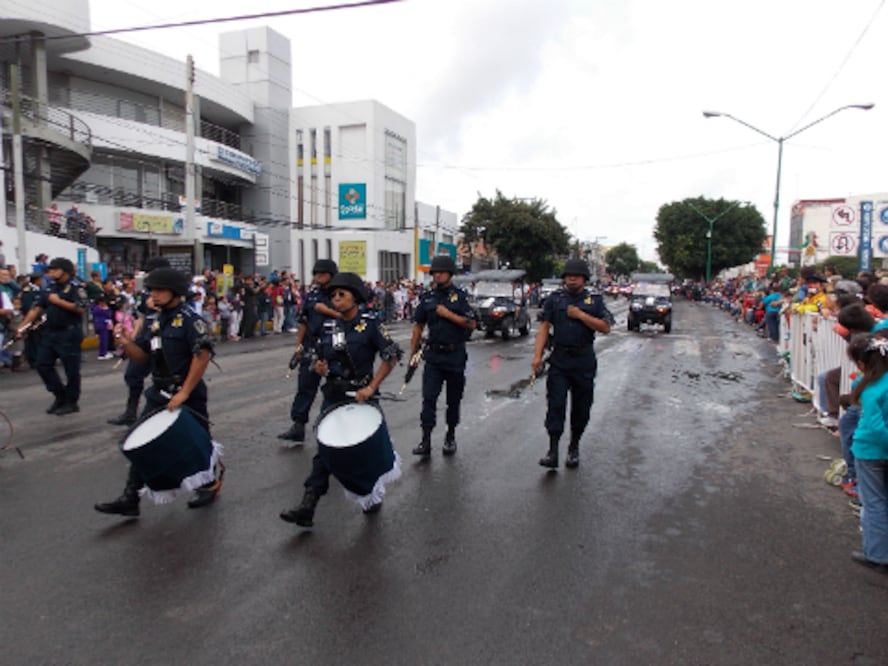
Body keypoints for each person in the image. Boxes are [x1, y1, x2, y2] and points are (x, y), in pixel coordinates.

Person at [94, 267, 222, 516]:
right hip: (159, 390)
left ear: (175, 292)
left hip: (188, 391)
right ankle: (131, 497)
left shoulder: (190, 320)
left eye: (160, 290)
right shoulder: (153, 321)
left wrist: (184, 392)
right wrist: (125, 343)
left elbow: (202, 355)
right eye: (152, 290)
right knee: (141, 441)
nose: (155, 295)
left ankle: (208, 484)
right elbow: (141, 357)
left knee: (198, 440)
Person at [280, 272, 403, 527]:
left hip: (361, 397)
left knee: (367, 449)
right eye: (333, 294)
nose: (335, 298)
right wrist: (319, 367)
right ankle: (308, 504)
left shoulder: (370, 323)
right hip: (334, 396)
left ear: (355, 297)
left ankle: (372, 494)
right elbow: (315, 356)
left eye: (341, 294)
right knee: (324, 450)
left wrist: (371, 387)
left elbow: (391, 356)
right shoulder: (328, 326)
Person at [531, 258, 613, 469]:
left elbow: (605, 327)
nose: (572, 279)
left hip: (583, 361)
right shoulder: (555, 299)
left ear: (584, 279)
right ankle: (553, 450)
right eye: (568, 276)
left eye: (576, 276)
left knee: (581, 408)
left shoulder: (594, 300)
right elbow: (544, 327)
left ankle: (574, 446)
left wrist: (580, 315)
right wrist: (537, 356)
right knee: (555, 405)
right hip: (559, 360)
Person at [408, 255, 476, 457]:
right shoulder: (427, 297)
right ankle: (426, 440)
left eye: (441, 272)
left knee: (453, 400)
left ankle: (450, 436)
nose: (437, 275)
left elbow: (471, 324)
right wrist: (413, 353)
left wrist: (448, 315)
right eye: (434, 272)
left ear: (449, 274)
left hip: (455, 355)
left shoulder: (460, 296)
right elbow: (418, 325)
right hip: (433, 357)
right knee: (428, 399)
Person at [278, 259, 340, 443]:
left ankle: (332, 427)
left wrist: (327, 310)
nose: (317, 277)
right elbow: (303, 321)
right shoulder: (312, 295)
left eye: (322, 273)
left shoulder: (340, 294)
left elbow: (349, 316)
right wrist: (298, 347)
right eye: (316, 273)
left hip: (333, 346)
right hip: (312, 346)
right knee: (305, 386)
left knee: (334, 388)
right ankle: (298, 425)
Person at [16, 257, 87, 416]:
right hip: (50, 333)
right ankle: (59, 395)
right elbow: (37, 309)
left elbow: (81, 308)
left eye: (55, 269)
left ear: (65, 271)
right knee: (42, 364)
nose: (51, 273)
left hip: (69, 332)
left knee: (71, 370)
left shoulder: (75, 287)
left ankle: (71, 401)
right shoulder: (49, 288)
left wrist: (59, 301)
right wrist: (22, 326)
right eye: (50, 270)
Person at [107, 256, 171, 426]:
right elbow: (142, 316)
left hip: (165, 337)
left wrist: (156, 304)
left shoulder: (173, 288)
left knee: (164, 379)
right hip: (146, 337)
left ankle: (163, 415)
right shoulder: (146, 291)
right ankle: (130, 412)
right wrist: (134, 337)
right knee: (133, 375)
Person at [845, 332, 888, 573]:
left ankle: (878, 554)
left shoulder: (869, 389)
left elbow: (875, 425)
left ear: (863, 364)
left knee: (873, 504)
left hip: (870, 452)